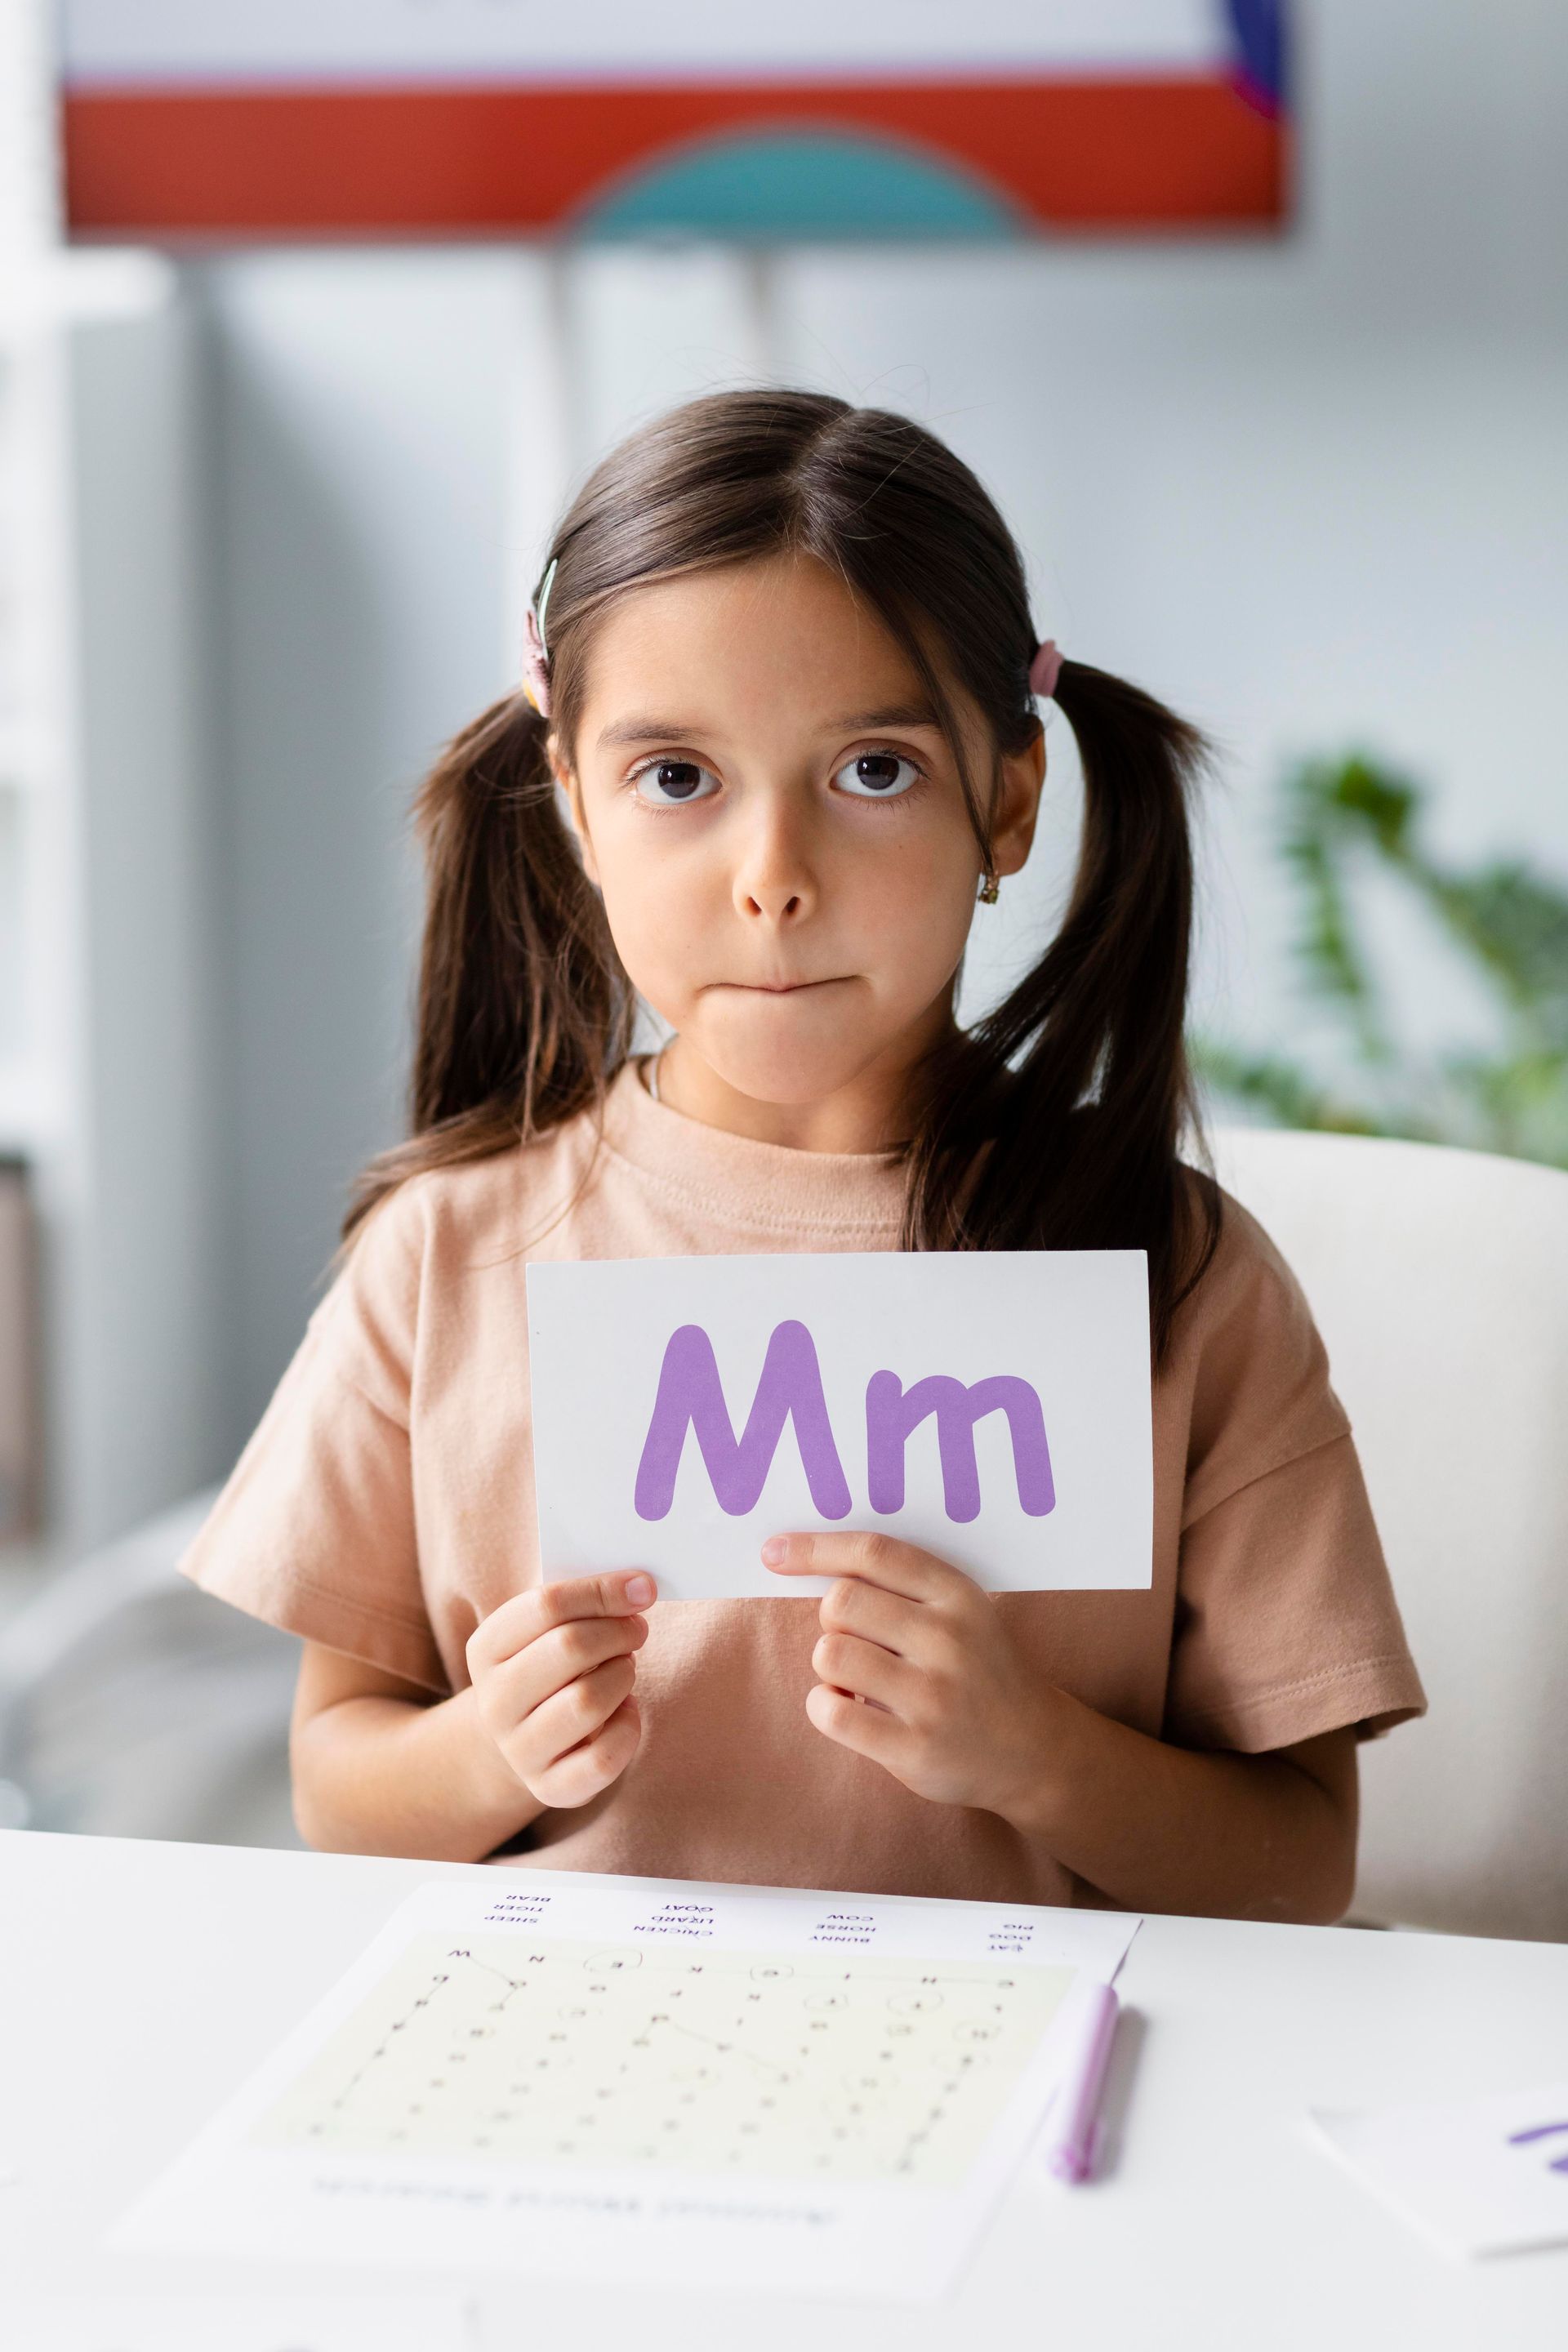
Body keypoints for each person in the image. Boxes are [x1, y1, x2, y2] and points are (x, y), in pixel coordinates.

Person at [182, 390, 1424, 1921]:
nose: (772, 880)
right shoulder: (443, 1258)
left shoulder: (1181, 1278)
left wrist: (1036, 1755)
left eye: (874, 771)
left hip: (1043, 2097)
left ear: (1010, 800)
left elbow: (1302, 1867)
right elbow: (337, 1786)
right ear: (573, 797)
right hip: (585, 2082)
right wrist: (491, 1755)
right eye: (678, 778)